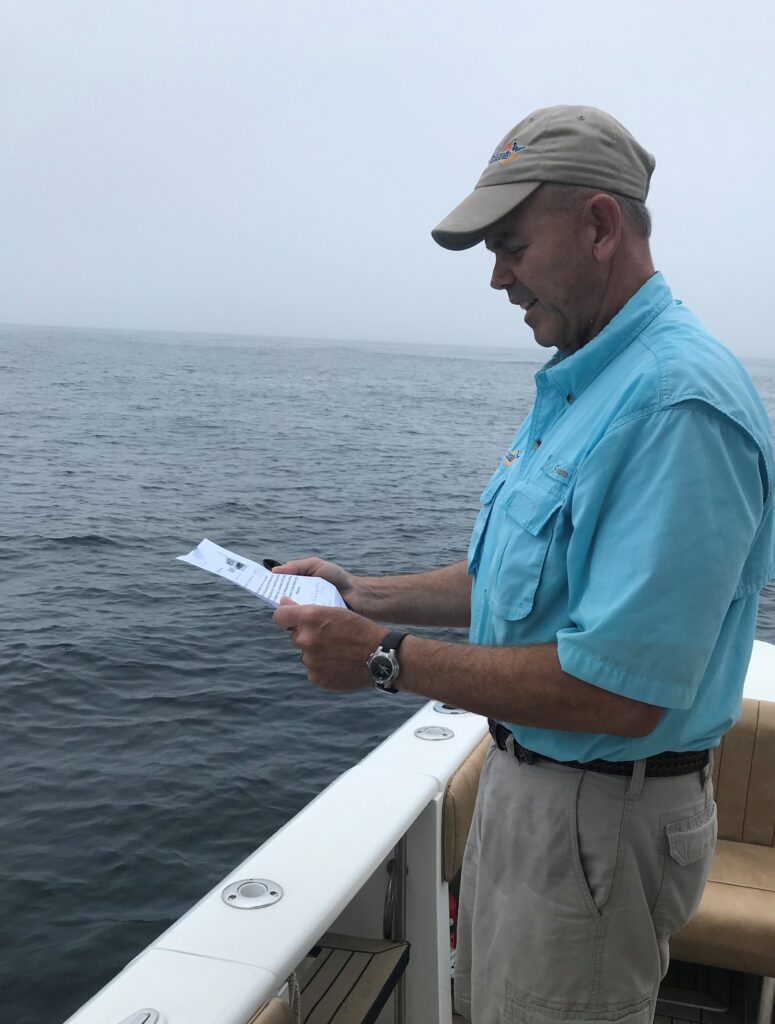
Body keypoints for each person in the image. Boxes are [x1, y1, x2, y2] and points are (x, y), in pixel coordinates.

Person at [272, 105, 775, 1023]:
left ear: (598, 226)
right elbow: (510, 581)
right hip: (539, 790)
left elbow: (621, 693)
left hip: (599, 819)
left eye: (509, 243)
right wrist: (362, 591)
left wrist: (382, 656)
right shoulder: (593, 379)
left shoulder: (674, 407)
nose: (496, 277)